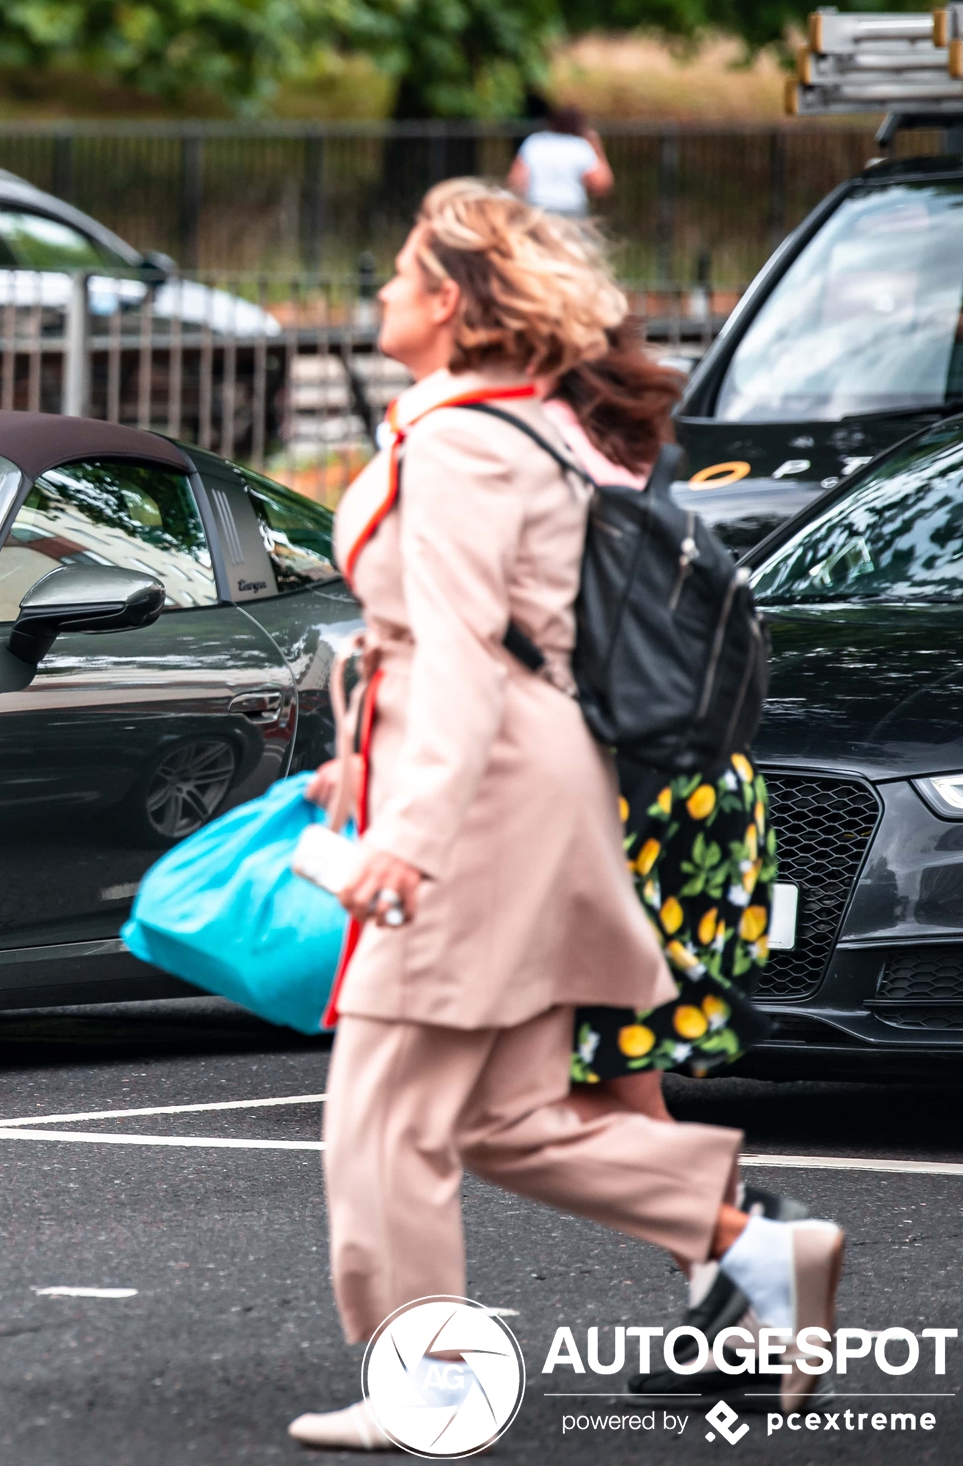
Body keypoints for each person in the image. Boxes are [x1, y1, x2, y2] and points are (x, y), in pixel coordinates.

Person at [288, 180, 845, 1449]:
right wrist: (357, 774)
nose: (377, 289)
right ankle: (755, 1249)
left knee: (380, 1117)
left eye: (395, 272)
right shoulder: (523, 426)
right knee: (503, 1117)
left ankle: (421, 1396)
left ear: (447, 302)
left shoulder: (464, 444)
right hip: (521, 790)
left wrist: (407, 841)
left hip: (480, 809)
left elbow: (471, 661)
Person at [544, 336, 794, 1398]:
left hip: (631, 808)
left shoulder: (562, 510)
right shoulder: (655, 509)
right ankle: (735, 1282)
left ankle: (740, 1246)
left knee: (575, 1076)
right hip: (700, 801)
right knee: (607, 1068)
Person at [508, 102, 614, 219]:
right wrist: (596, 147)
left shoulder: (535, 142)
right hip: (571, 209)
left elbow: (516, 180)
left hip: (538, 207)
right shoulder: (580, 146)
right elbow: (601, 184)